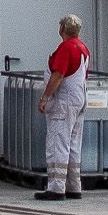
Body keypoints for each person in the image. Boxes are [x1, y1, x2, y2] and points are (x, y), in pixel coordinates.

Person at [37, 11, 90, 199]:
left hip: (64, 101)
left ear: (62, 29)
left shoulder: (66, 48)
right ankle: (74, 186)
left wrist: (45, 97)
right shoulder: (83, 48)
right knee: (74, 144)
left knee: (58, 143)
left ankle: (56, 187)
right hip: (79, 99)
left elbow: (58, 75)